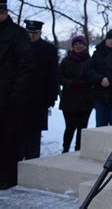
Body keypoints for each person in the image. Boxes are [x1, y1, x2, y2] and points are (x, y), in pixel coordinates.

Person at [0, 0, 34, 189]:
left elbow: (25, 66)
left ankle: (8, 177)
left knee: (8, 139)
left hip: (9, 96)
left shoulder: (18, 34)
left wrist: (15, 93)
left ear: (5, 12)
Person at [22, 19, 59, 160]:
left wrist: (52, 97)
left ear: (40, 33)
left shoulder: (48, 49)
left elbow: (53, 75)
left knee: (34, 134)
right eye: (29, 32)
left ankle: (31, 162)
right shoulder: (18, 46)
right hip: (18, 97)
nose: (31, 36)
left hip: (39, 98)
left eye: (35, 33)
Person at [58, 35, 93, 153]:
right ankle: (65, 148)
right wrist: (70, 83)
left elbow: (94, 77)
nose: (78, 46)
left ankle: (79, 149)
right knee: (70, 127)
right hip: (69, 100)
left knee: (82, 128)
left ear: (85, 46)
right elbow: (58, 77)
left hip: (86, 99)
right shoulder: (66, 61)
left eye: (81, 44)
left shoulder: (90, 61)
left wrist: (84, 83)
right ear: (72, 46)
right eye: (76, 44)